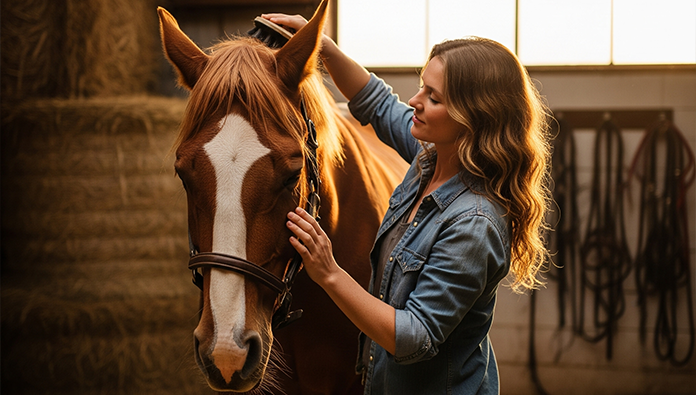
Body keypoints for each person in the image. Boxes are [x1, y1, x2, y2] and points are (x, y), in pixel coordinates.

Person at [265, 12, 551, 395]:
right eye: (422, 87)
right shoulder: (429, 159)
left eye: (433, 97)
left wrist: (329, 272)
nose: (415, 101)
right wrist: (325, 49)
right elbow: (378, 103)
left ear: (473, 118)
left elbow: (414, 337)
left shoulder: (474, 224)